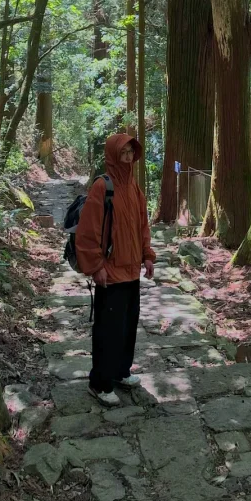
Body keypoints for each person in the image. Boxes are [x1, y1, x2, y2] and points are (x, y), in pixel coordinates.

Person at [75, 131, 156, 406]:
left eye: (131, 152)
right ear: (112, 155)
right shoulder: (102, 187)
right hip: (110, 273)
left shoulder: (134, 187)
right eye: (123, 152)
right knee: (108, 330)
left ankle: (121, 371)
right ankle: (99, 383)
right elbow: (88, 232)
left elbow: (142, 225)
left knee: (127, 327)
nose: (128, 157)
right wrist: (96, 266)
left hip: (131, 272)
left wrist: (147, 256)